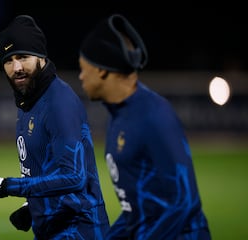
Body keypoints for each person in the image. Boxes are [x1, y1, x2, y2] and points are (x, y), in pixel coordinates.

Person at [0, 15, 110, 239]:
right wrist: (32, 206)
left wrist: (5, 186)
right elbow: (48, 168)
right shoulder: (30, 100)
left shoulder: (58, 103)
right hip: (53, 228)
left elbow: (74, 177)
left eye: (23, 57)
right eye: (8, 60)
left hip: (78, 230)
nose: (16, 68)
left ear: (41, 56)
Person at [78, 13, 211, 239]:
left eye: (84, 68)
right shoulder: (118, 115)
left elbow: (183, 201)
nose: (81, 77)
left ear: (101, 70)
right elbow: (137, 212)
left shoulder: (154, 114)